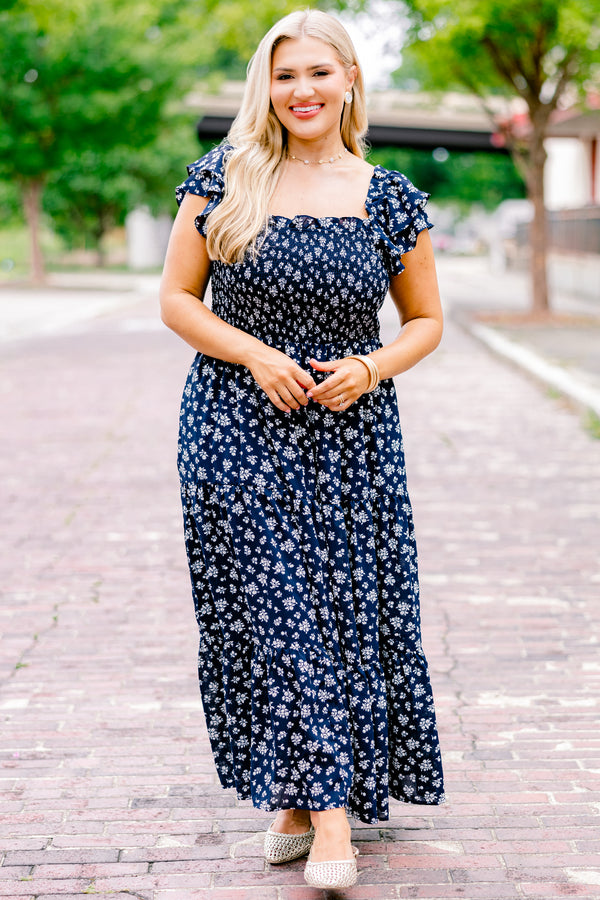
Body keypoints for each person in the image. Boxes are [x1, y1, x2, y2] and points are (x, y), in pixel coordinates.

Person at [160, 8, 445, 890]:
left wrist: (368, 366)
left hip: (352, 438)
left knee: (335, 617)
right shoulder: (224, 178)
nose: (302, 91)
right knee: (274, 610)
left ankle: (296, 791)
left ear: (350, 79)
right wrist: (255, 354)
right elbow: (177, 300)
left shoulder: (387, 194)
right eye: (285, 76)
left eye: (319, 72)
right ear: (266, 86)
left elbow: (426, 322)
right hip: (233, 428)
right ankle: (331, 824)